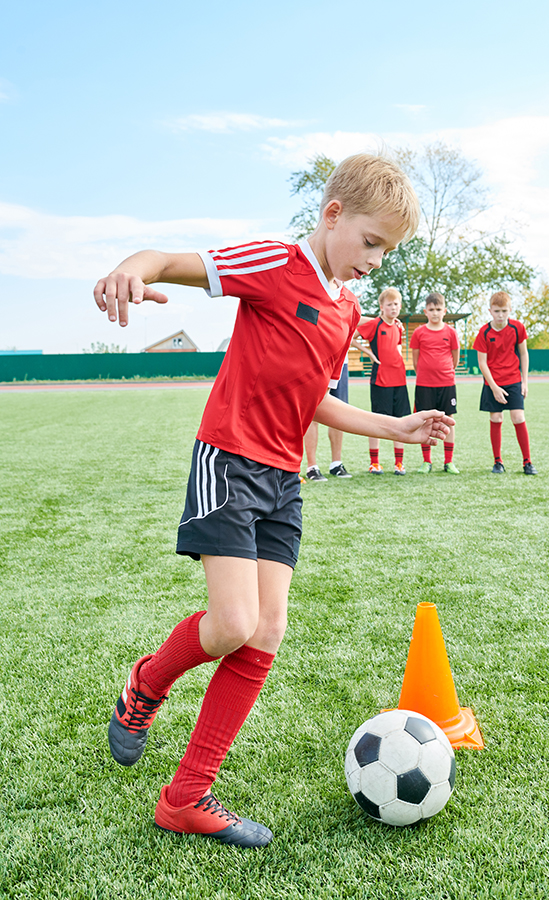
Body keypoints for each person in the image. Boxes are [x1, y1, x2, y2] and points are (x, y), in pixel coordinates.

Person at [93, 153, 455, 849]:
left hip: (284, 479)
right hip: (228, 458)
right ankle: (146, 685)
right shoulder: (272, 261)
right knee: (232, 623)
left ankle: (187, 796)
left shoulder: (346, 309)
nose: (376, 261)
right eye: (372, 242)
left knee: (266, 632)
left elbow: (315, 397)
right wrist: (130, 270)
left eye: (389, 251)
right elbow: (168, 260)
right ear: (332, 216)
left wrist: (394, 427)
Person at [473, 290, 537, 475]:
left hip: (513, 380)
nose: (500, 315)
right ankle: (498, 462)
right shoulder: (484, 332)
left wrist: (525, 381)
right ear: (490, 311)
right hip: (492, 383)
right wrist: (494, 387)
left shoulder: (518, 328)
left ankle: (527, 462)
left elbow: (524, 354)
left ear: (510, 310)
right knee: (496, 418)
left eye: (504, 311)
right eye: (497, 311)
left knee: (518, 417)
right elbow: (482, 363)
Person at [353, 287, 410, 474]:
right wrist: (369, 352)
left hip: (400, 380)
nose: (393, 308)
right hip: (380, 381)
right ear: (381, 307)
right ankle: (374, 462)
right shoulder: (375, 324)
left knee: (400, 421)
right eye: (389, 305)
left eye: (396, 304)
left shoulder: (398, 326)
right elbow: (351, 337)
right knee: (377, 421)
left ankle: (399, 463)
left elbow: (397, 349)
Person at [409, 292, 460, 474]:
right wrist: (425, 373)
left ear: (444, 311)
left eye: (438, 309)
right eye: (431, 309)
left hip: (446, 383)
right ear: (425, 311)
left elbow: (455, 358)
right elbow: (415, 360)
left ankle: (449, 462)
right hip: (424, 385)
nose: (435, 313)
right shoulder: (419, 332)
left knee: (449, 420)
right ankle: (426, 461)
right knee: (425, 421)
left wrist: (444, 372)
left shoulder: (451, 332)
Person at [304, 358, 352, 480]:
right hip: (317, 360)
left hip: (340, 362)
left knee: (339, 414)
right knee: (313, 412)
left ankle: (336, 464)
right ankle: (312, 467)